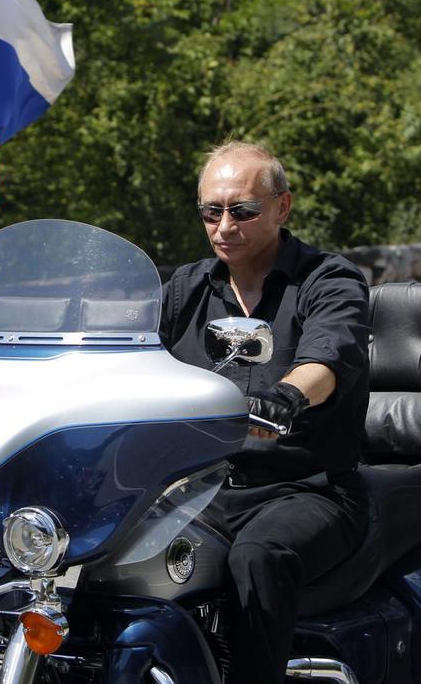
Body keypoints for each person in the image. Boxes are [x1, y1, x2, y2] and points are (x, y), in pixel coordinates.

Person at [159, 141, 370, 684]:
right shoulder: (184, 289)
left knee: (258, 555)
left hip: (306, 488)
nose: (224, 226)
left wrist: (286, 397)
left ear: (282, 207)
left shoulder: (328, 280)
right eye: (211, 211)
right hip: (202, 489)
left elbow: (328, 359)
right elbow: (129, 355)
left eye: (243, 210)